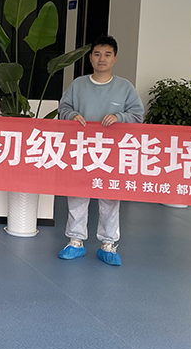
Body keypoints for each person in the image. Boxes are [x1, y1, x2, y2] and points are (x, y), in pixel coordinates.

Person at [57, 35, 144, 266]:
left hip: (112, 152)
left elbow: (137, 115)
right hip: (81, 149)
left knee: (110, 197)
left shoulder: (125, 87)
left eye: (107, 54)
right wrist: (72, 115)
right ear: (90, 58)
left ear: (115, 58)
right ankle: (75, 241)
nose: (101, 59)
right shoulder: (78, 85)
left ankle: (108, 243)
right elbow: (63, 108)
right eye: (97, 54)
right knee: (77, 194)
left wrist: (119, 117)